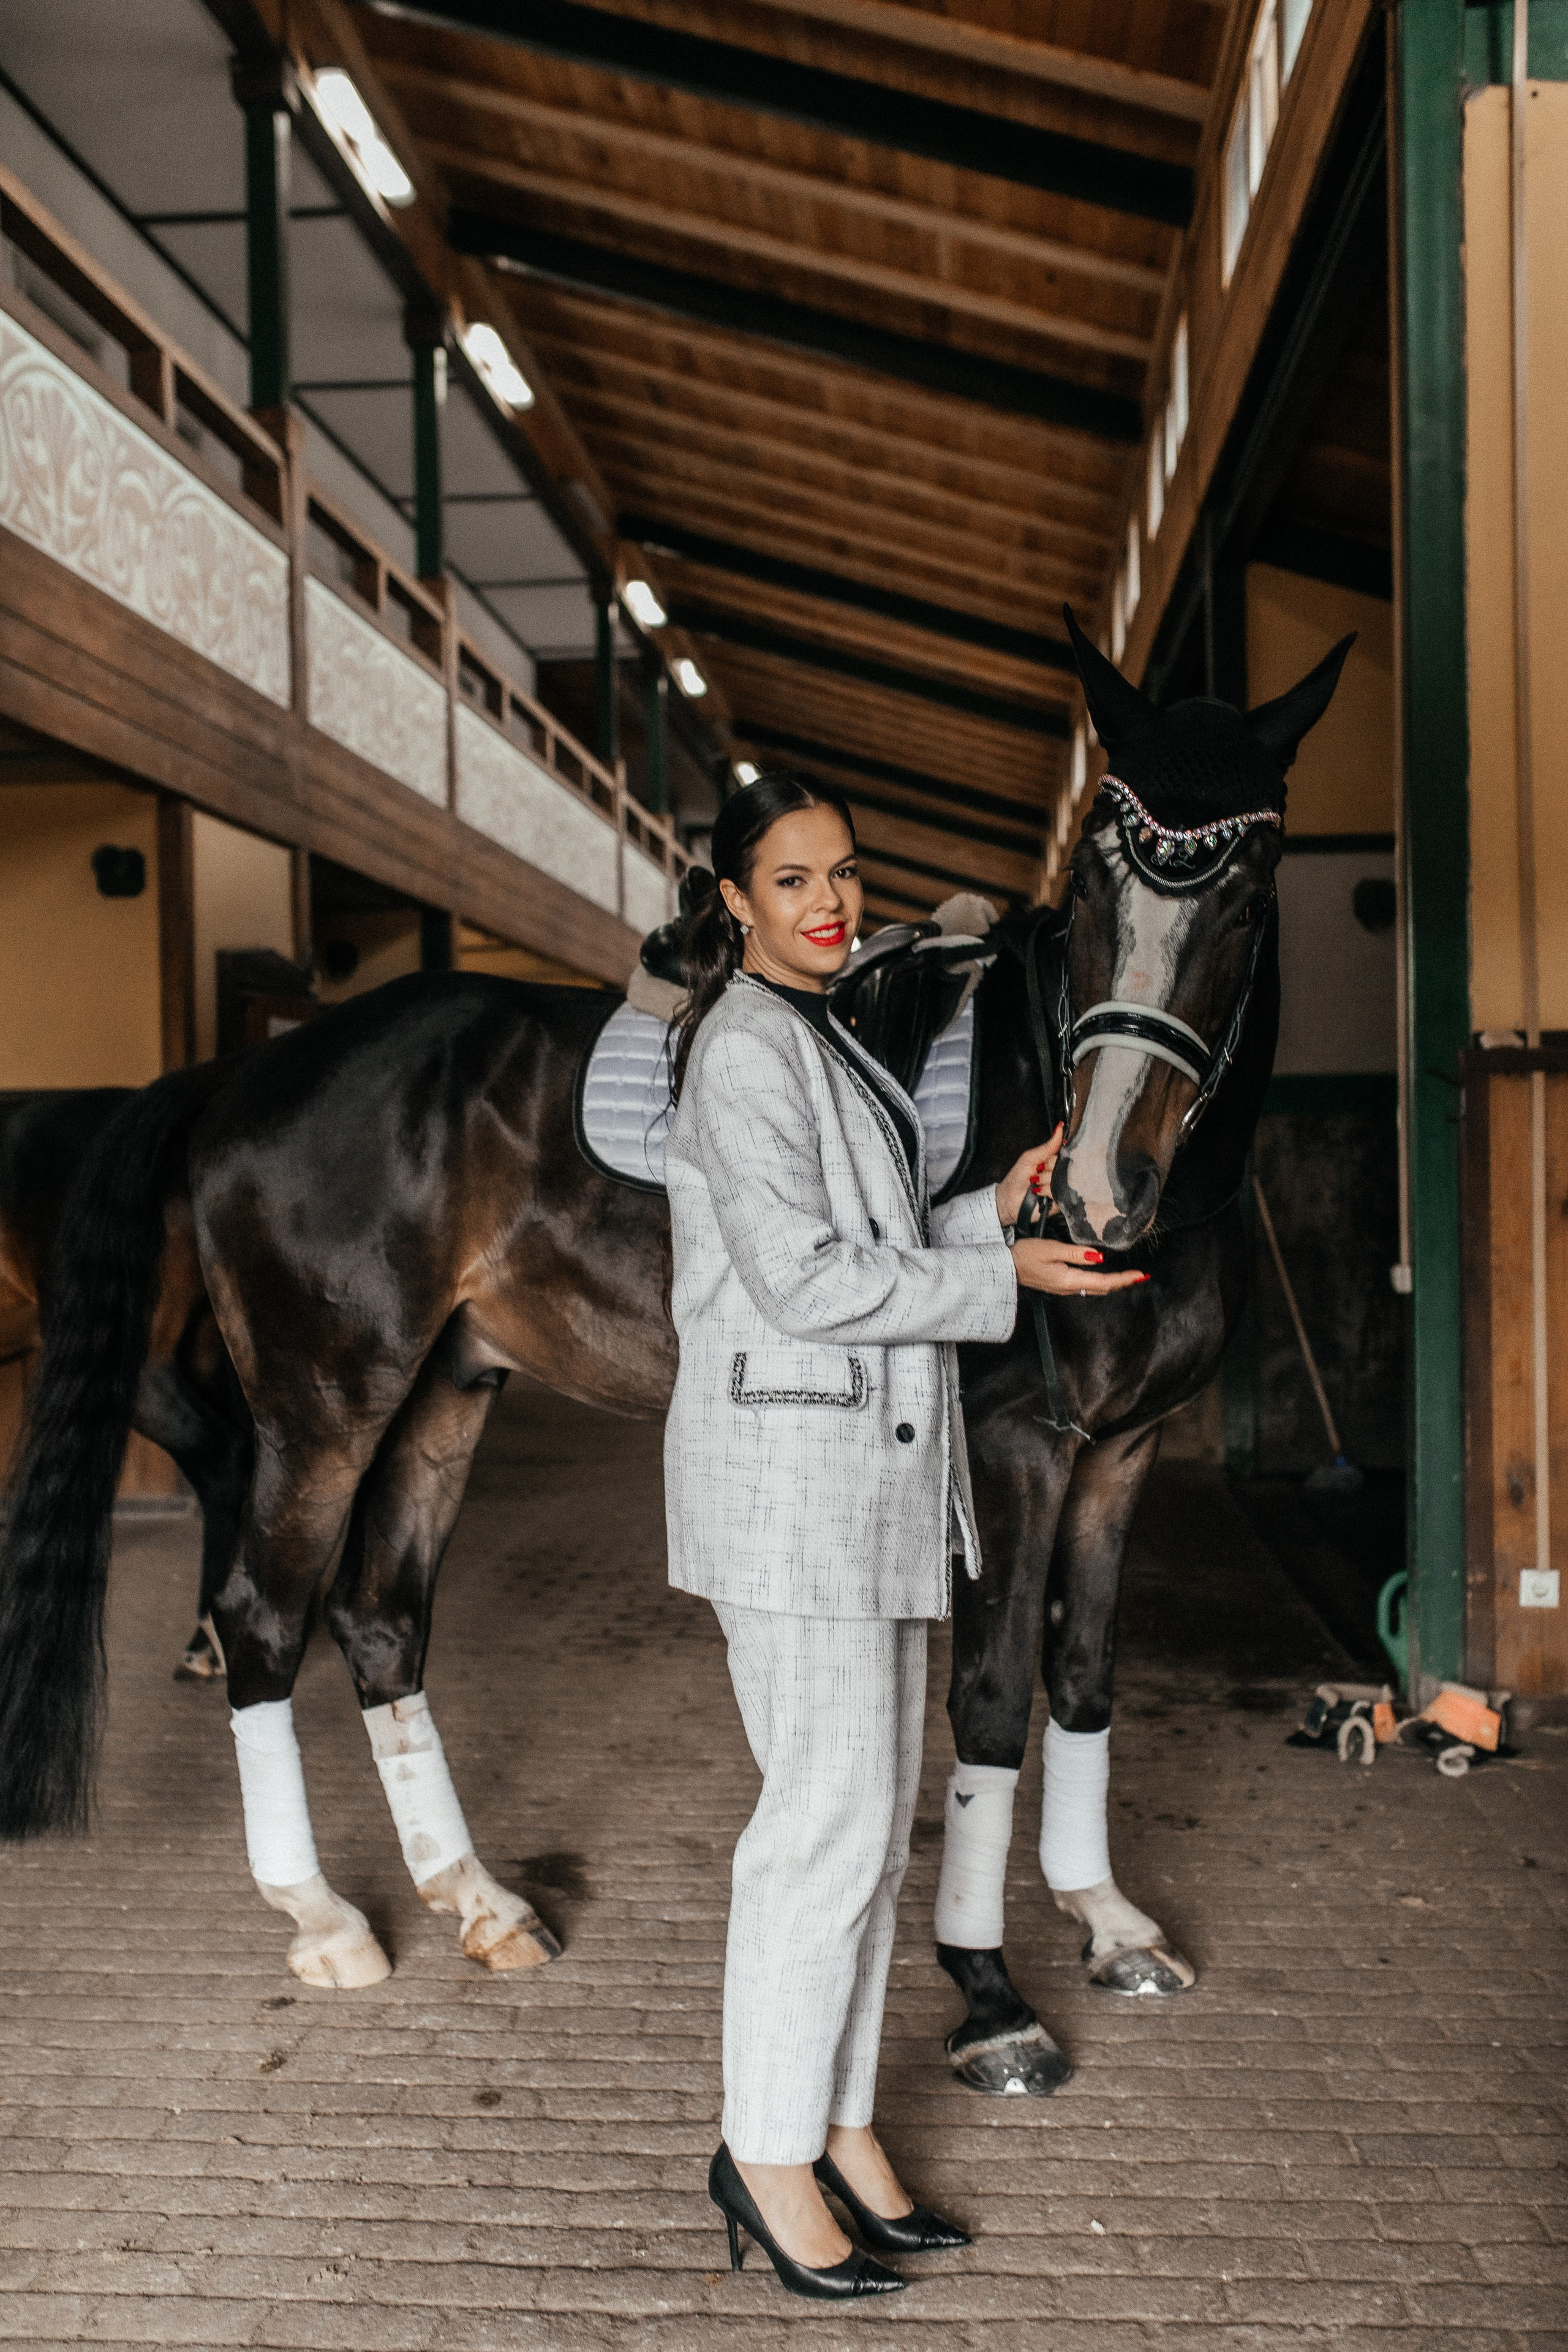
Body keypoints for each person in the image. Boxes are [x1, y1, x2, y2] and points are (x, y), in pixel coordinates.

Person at [664, 773, 1145, 2301]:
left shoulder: (813, 1032)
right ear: (732, 901)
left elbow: (866, 1246)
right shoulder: (742, 1046)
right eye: (791, 880)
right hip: (787, 1494)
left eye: (842, 875)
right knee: (818, 1831)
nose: (828, 903)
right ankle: (762, 2152)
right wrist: (1006, 1273)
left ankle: (840, 2124)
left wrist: (969, 1209)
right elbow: (805, 1283)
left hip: (858, 1489)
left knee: (865, 1838)